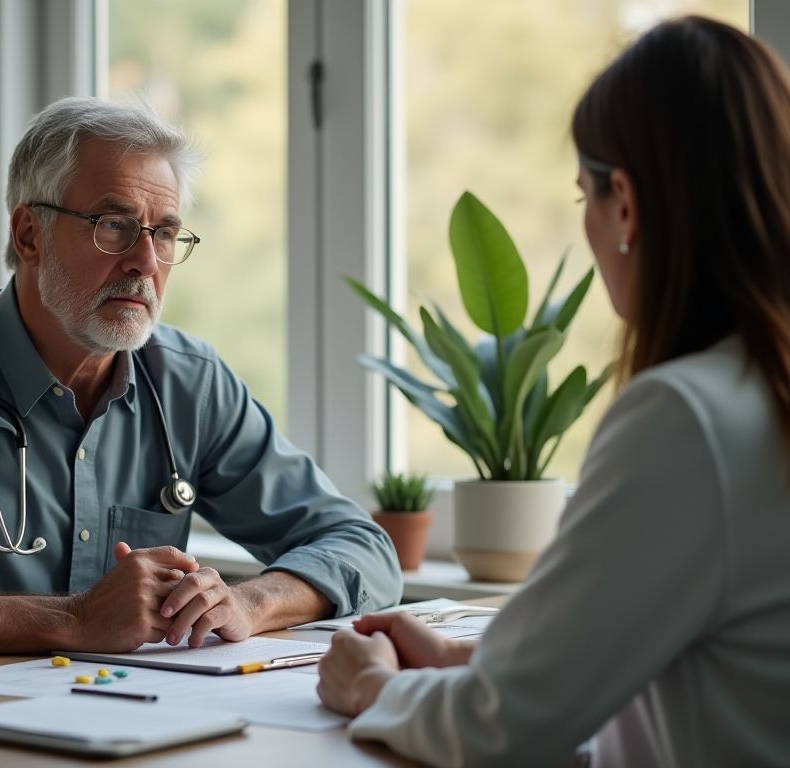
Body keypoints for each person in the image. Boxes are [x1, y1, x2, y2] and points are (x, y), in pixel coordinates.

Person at [316, 15, 790, 767]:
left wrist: (374, 688)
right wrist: (457, 661)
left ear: (626, 203)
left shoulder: (689, 420)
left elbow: (503, 730)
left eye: (585, 200)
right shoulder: (759, 395)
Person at [0, 97, 402, 658]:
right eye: (113, 226)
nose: (144, 261)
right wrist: (72, 620)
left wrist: (249, 602)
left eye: (163, 233)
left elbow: (361, 546)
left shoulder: (191, 382)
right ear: (30, 235)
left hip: (138, 724)